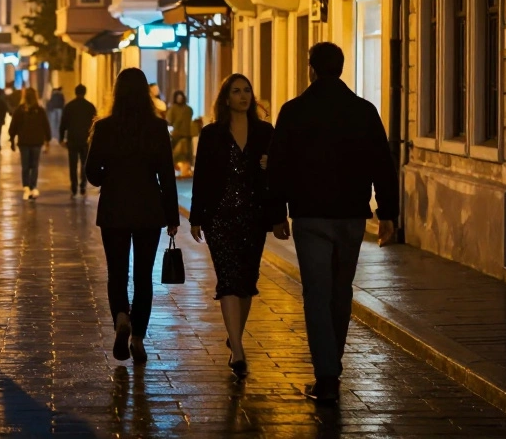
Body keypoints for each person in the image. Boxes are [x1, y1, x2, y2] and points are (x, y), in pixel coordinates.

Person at [266, 42, 399, 404]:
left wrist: (276, 213)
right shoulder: (363, 110)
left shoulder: (294, 111)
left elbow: (278, 166)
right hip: (352, 216)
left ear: (311, 68)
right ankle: (331, 363)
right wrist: (387, 212)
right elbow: (382, 164)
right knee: (341, 292)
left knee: (316, 294)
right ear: (340, 68)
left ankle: (327, 374)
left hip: (310, 215)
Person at [86, 68, 180, 364]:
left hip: (114, 208)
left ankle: (121, 318)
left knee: (117, 272)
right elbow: (167, 174)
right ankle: (138, 337)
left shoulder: (104, 128)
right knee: (143, 276)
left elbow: (92, 174)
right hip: (148, 209)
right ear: (145, 94)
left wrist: (109, 176)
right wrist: (173, 215)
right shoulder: (156, 127)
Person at [188, 74, 276, 379]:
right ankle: (237, 350)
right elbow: (201, 176)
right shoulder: (212, 134)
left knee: (247, 279)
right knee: (227, 277)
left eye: (247, 90)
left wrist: (278, 215)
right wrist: (196, 216)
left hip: (254, 215)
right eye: (236, 91)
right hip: (219, 216)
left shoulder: (265, 132)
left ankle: (234, 334)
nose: (243, 95)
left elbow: (276, 175)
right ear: (226, 98)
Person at [8, 86, 51, 199]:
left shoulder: (20, 110)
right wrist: (47, 141)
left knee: (25, 166)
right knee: (34, 165)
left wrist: (12, 139)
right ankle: (33, 187)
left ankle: (26, 187)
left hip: (24, 142)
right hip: (37, 142)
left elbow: (13, 127)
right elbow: (46, 126)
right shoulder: (40, 110)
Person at [59, 84, 98, 200]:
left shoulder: (69, 106)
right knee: (84, 163)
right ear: (84, 92)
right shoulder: (90, 107)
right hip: (85, 140)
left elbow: (63, 124)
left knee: (73, 164)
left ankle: (74, 186)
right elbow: (95, 124)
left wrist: (61, 138)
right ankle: (83, 186)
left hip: (72, 139)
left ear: (75, 92)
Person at [166, 91, 195, 179]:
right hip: (176, 135)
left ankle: (185, 170)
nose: (179, 99)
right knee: (178, 153)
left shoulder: (188, 109)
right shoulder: (173, 109)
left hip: (187, 134)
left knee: (185, 152)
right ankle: (181, 170)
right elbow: (169, 120)